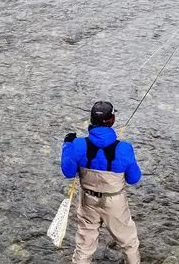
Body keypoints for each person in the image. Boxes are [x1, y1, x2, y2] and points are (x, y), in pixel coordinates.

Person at [61, 101, 142, 264]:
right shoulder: (124, 148)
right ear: (112, 120)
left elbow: (68, 172)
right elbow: (134, 179)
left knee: (84, 245)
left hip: (88, 201)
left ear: (91, 120)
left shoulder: (78, 145)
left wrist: (67, 145)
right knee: (129, 242)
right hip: (115, 202)